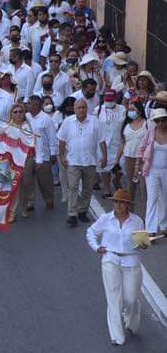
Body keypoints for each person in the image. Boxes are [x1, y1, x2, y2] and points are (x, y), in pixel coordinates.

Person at [86, 189, 148, 346]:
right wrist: (96, 247)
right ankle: (117, 336)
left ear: (127, 205)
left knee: (131, 298)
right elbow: (91, 232)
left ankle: (131, 322)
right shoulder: (105, 219)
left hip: (131, 261)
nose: (118, 205)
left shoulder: (137, 221)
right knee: (114, 298)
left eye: (121, 202)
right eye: (116, 201)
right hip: (110, 260)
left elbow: (142, 244)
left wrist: (144, 244)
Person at [58, 98, 107, 227]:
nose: (81, 110)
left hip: (90, 161)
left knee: (87, 188)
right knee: (73, 187)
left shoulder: (95, 122)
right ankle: (72, 214)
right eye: (79, 108)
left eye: (84, 107)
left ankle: (83, 211)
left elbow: (102, 141)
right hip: (73, 160)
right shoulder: (68, 122)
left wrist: (105, 157)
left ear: (87, 109)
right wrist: (62, 156)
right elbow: (61, 140)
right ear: (74, 109)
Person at [135, 108, 167, 236]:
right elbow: (141, 147)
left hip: (166, 170)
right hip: (151, 170)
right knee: (152, 198)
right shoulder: (151, 132)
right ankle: (150, 229)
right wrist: (137, 164)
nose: (160, 123)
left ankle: (164, 225)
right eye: (157, 121)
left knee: (164, 198)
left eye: (163, 120)